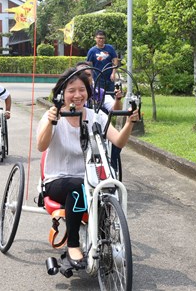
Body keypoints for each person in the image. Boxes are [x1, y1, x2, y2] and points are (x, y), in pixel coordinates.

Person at [36, 68, 139, 268]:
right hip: (58, 179)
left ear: (88, 92)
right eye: (71, 90)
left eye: (82, 89)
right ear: (61, 95)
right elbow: (41, 146)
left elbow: (118, 140)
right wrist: (50, 121)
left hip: (90, 180)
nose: (77, 95)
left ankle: (101, 239)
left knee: (107, 187)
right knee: (79, 187)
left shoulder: (96, 115)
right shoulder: (53, 116)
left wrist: (129, 123)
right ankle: (73, 244)